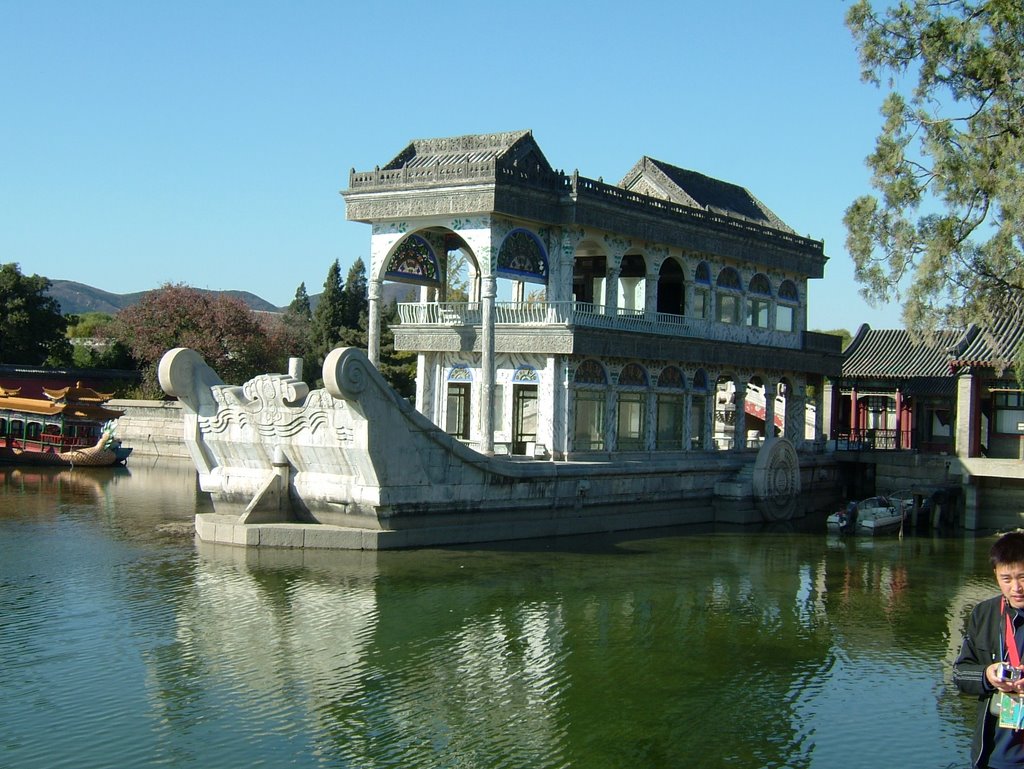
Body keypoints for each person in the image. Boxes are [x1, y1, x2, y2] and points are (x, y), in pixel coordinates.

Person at [954, 531, 1024, 768]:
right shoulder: (984, 614)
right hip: (993, 755)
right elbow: (960, 673)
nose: (1016, 587)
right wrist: (988, 675)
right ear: (995, 575)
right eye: (1006, 579)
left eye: (1023, 577)